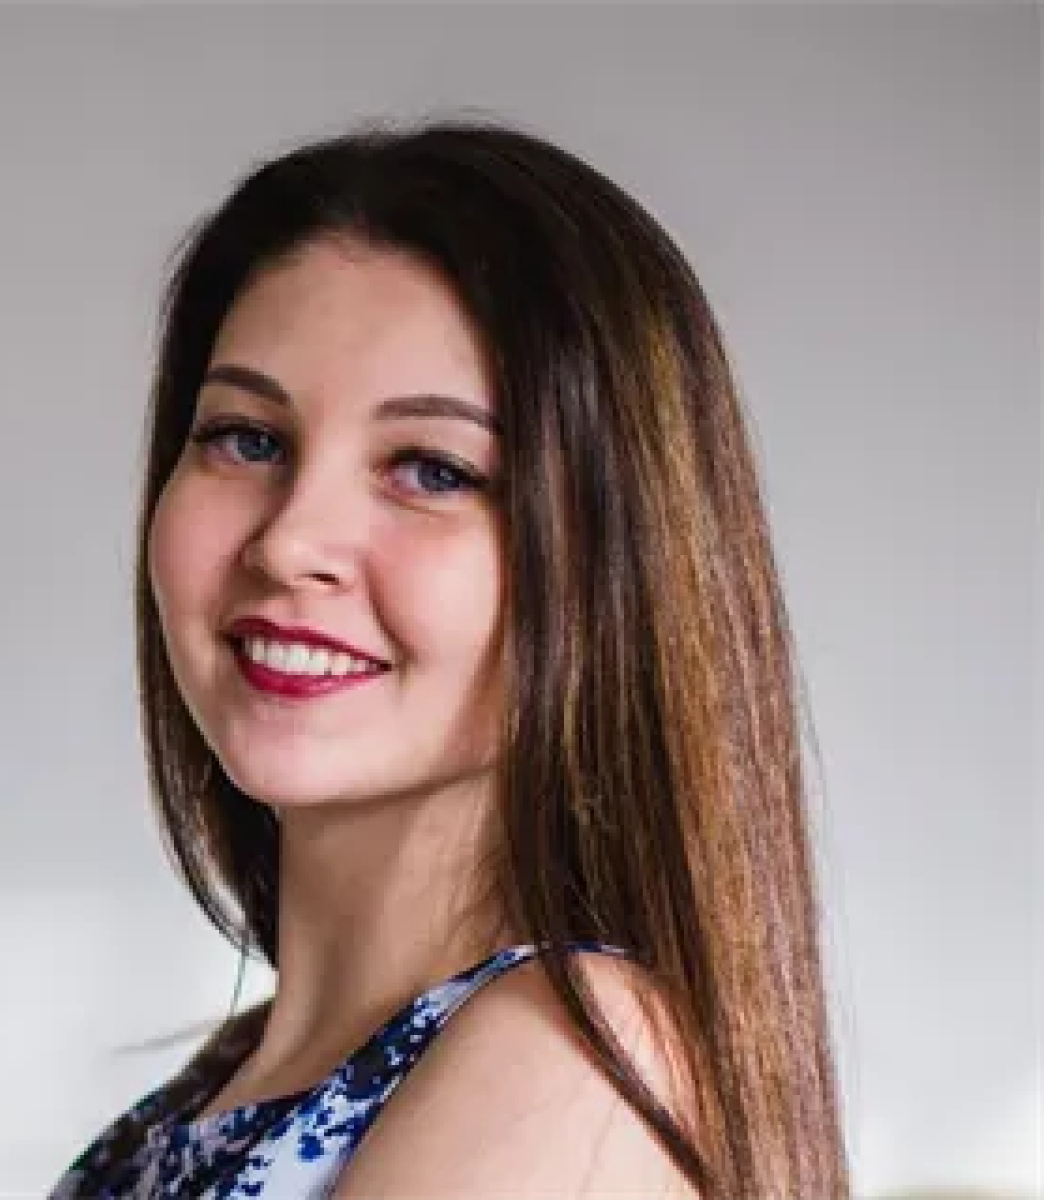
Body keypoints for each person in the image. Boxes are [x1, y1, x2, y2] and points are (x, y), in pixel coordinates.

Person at [48, 117, 850, 1199]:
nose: (290, 541)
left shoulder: (572, 1061)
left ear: (615, 566)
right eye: (247, 439)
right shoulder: (205, 1096)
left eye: (432, 469)